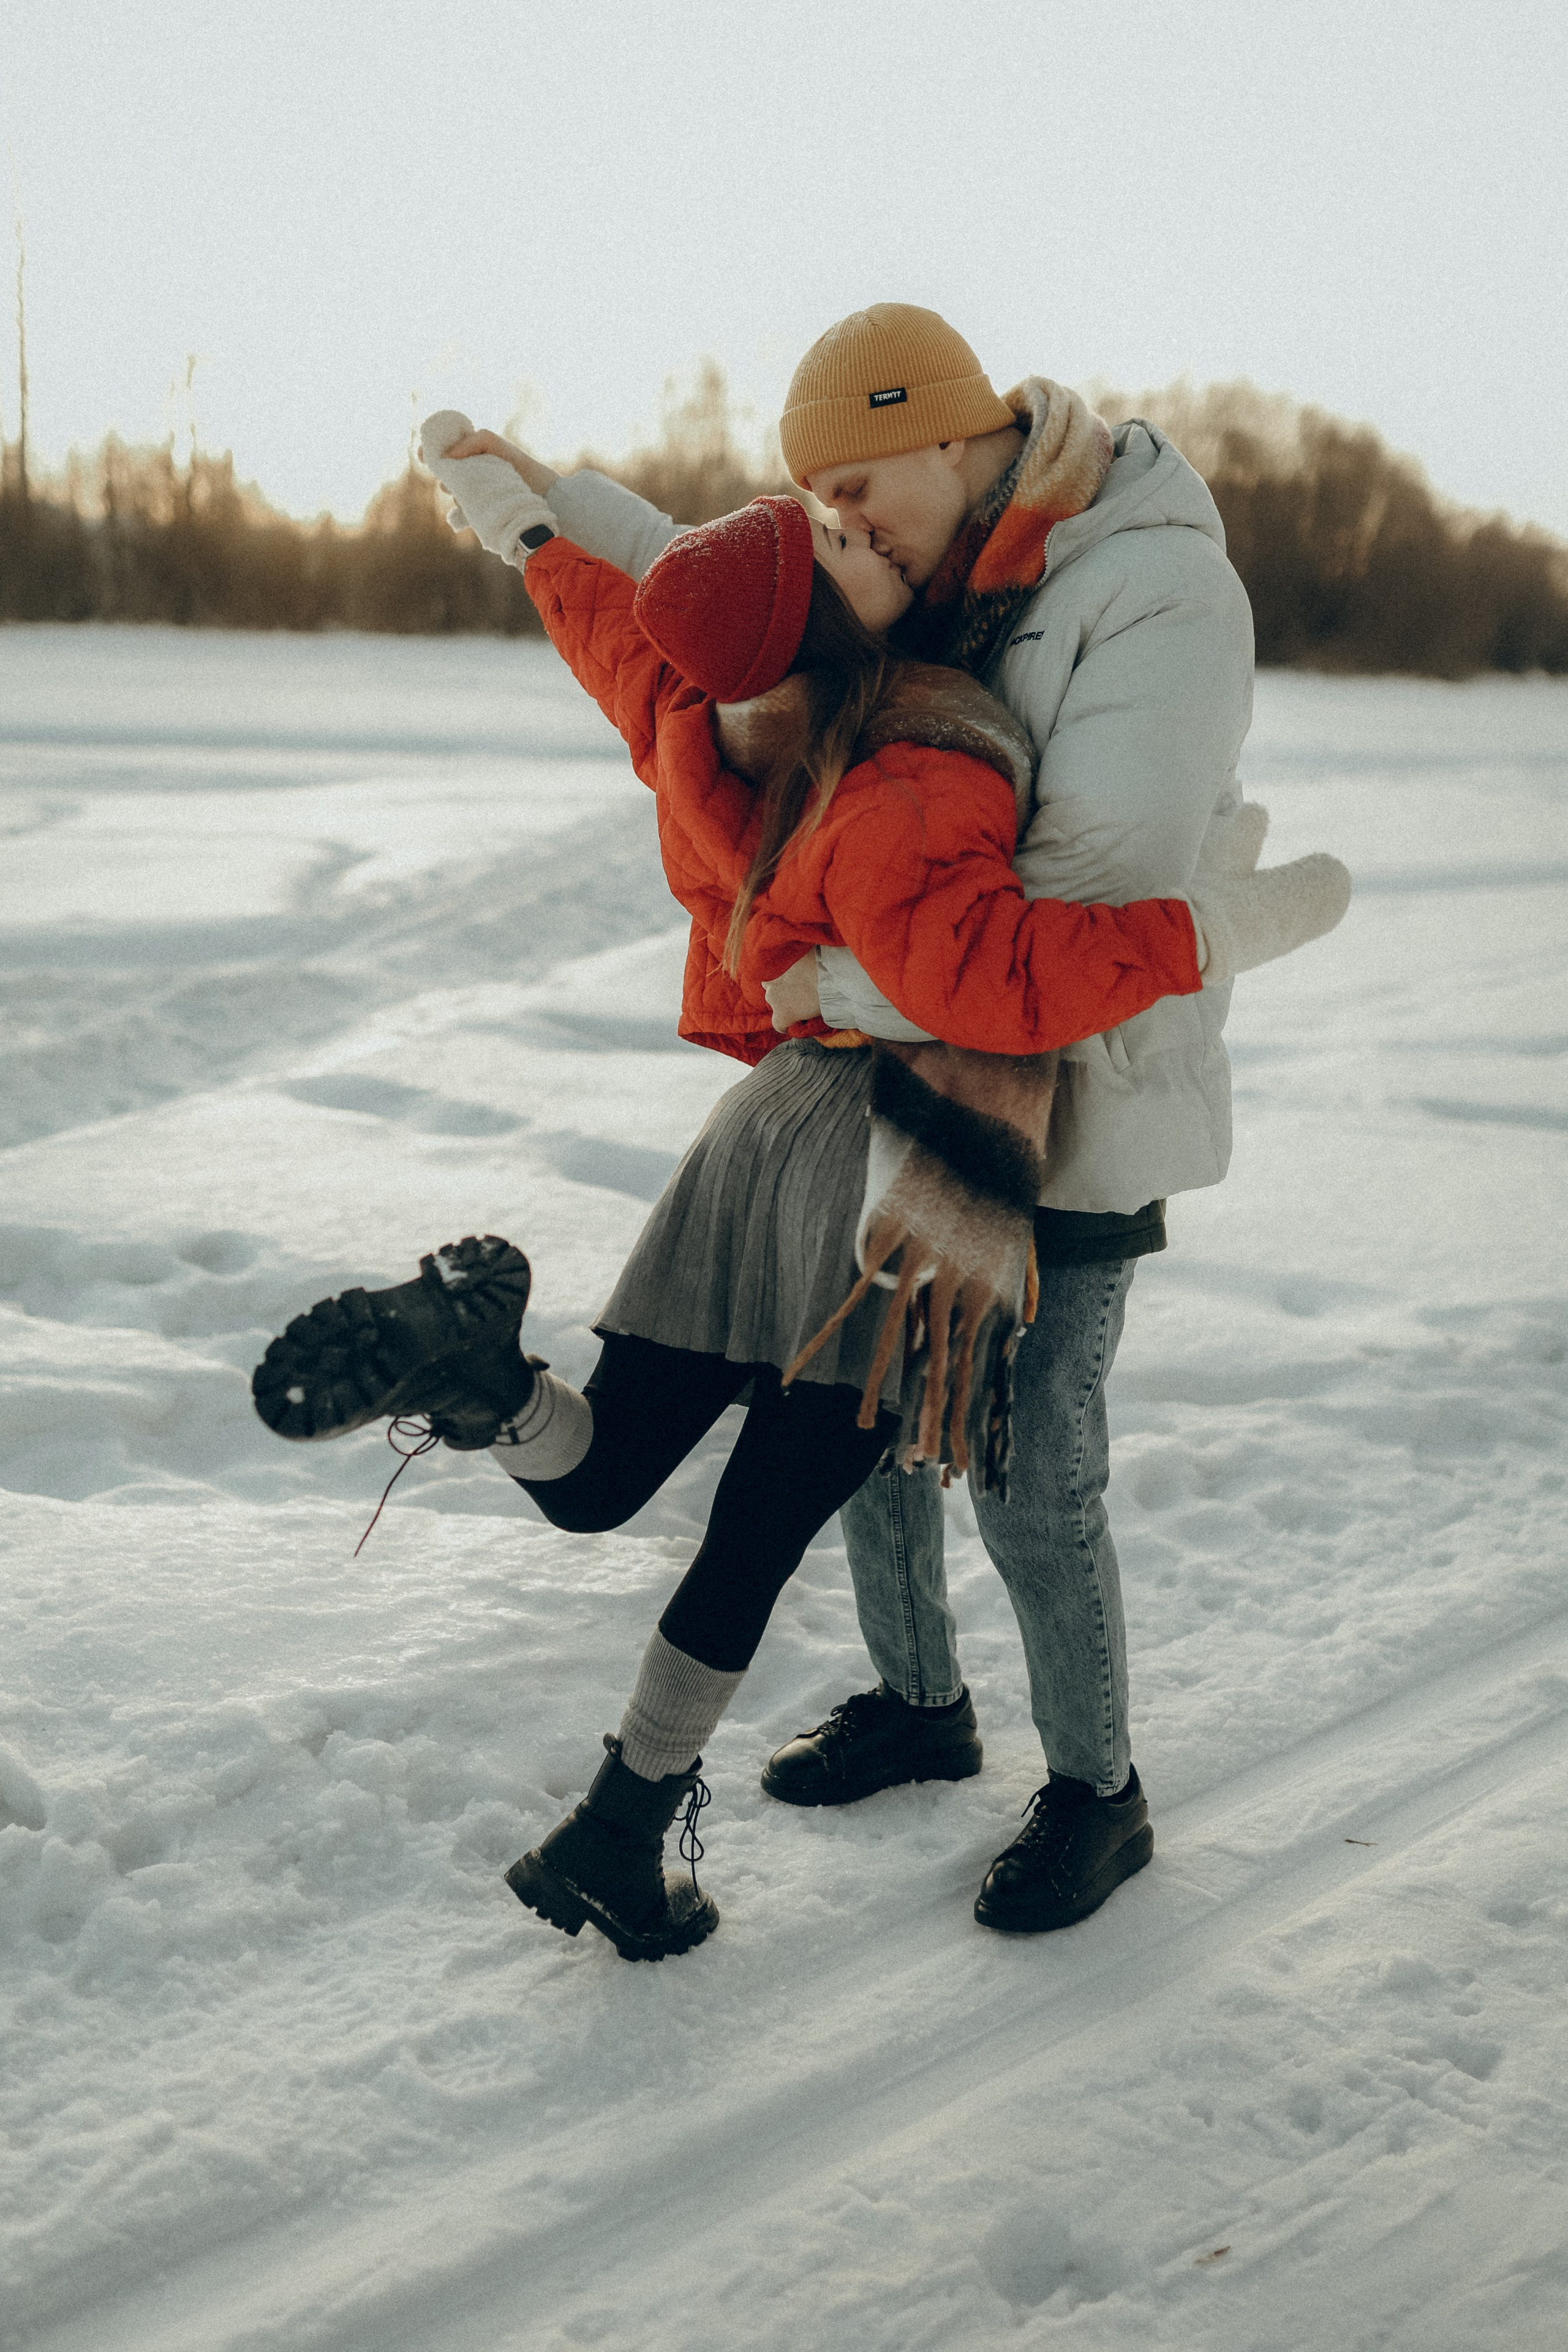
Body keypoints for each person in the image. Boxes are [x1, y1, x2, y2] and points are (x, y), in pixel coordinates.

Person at [253, 398, 1345, 1963]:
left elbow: (622, 621)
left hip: (750, 1143)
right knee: (763, 1520)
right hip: (883, 1173)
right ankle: (626, 1824)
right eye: (831, 537)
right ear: (830, 614)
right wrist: (1242, 914)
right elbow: (994, 983)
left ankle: (496, 1398)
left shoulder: (706, 718)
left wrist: (525, 516)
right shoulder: (919, 766)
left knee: (612, 1469)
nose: (851, 527)